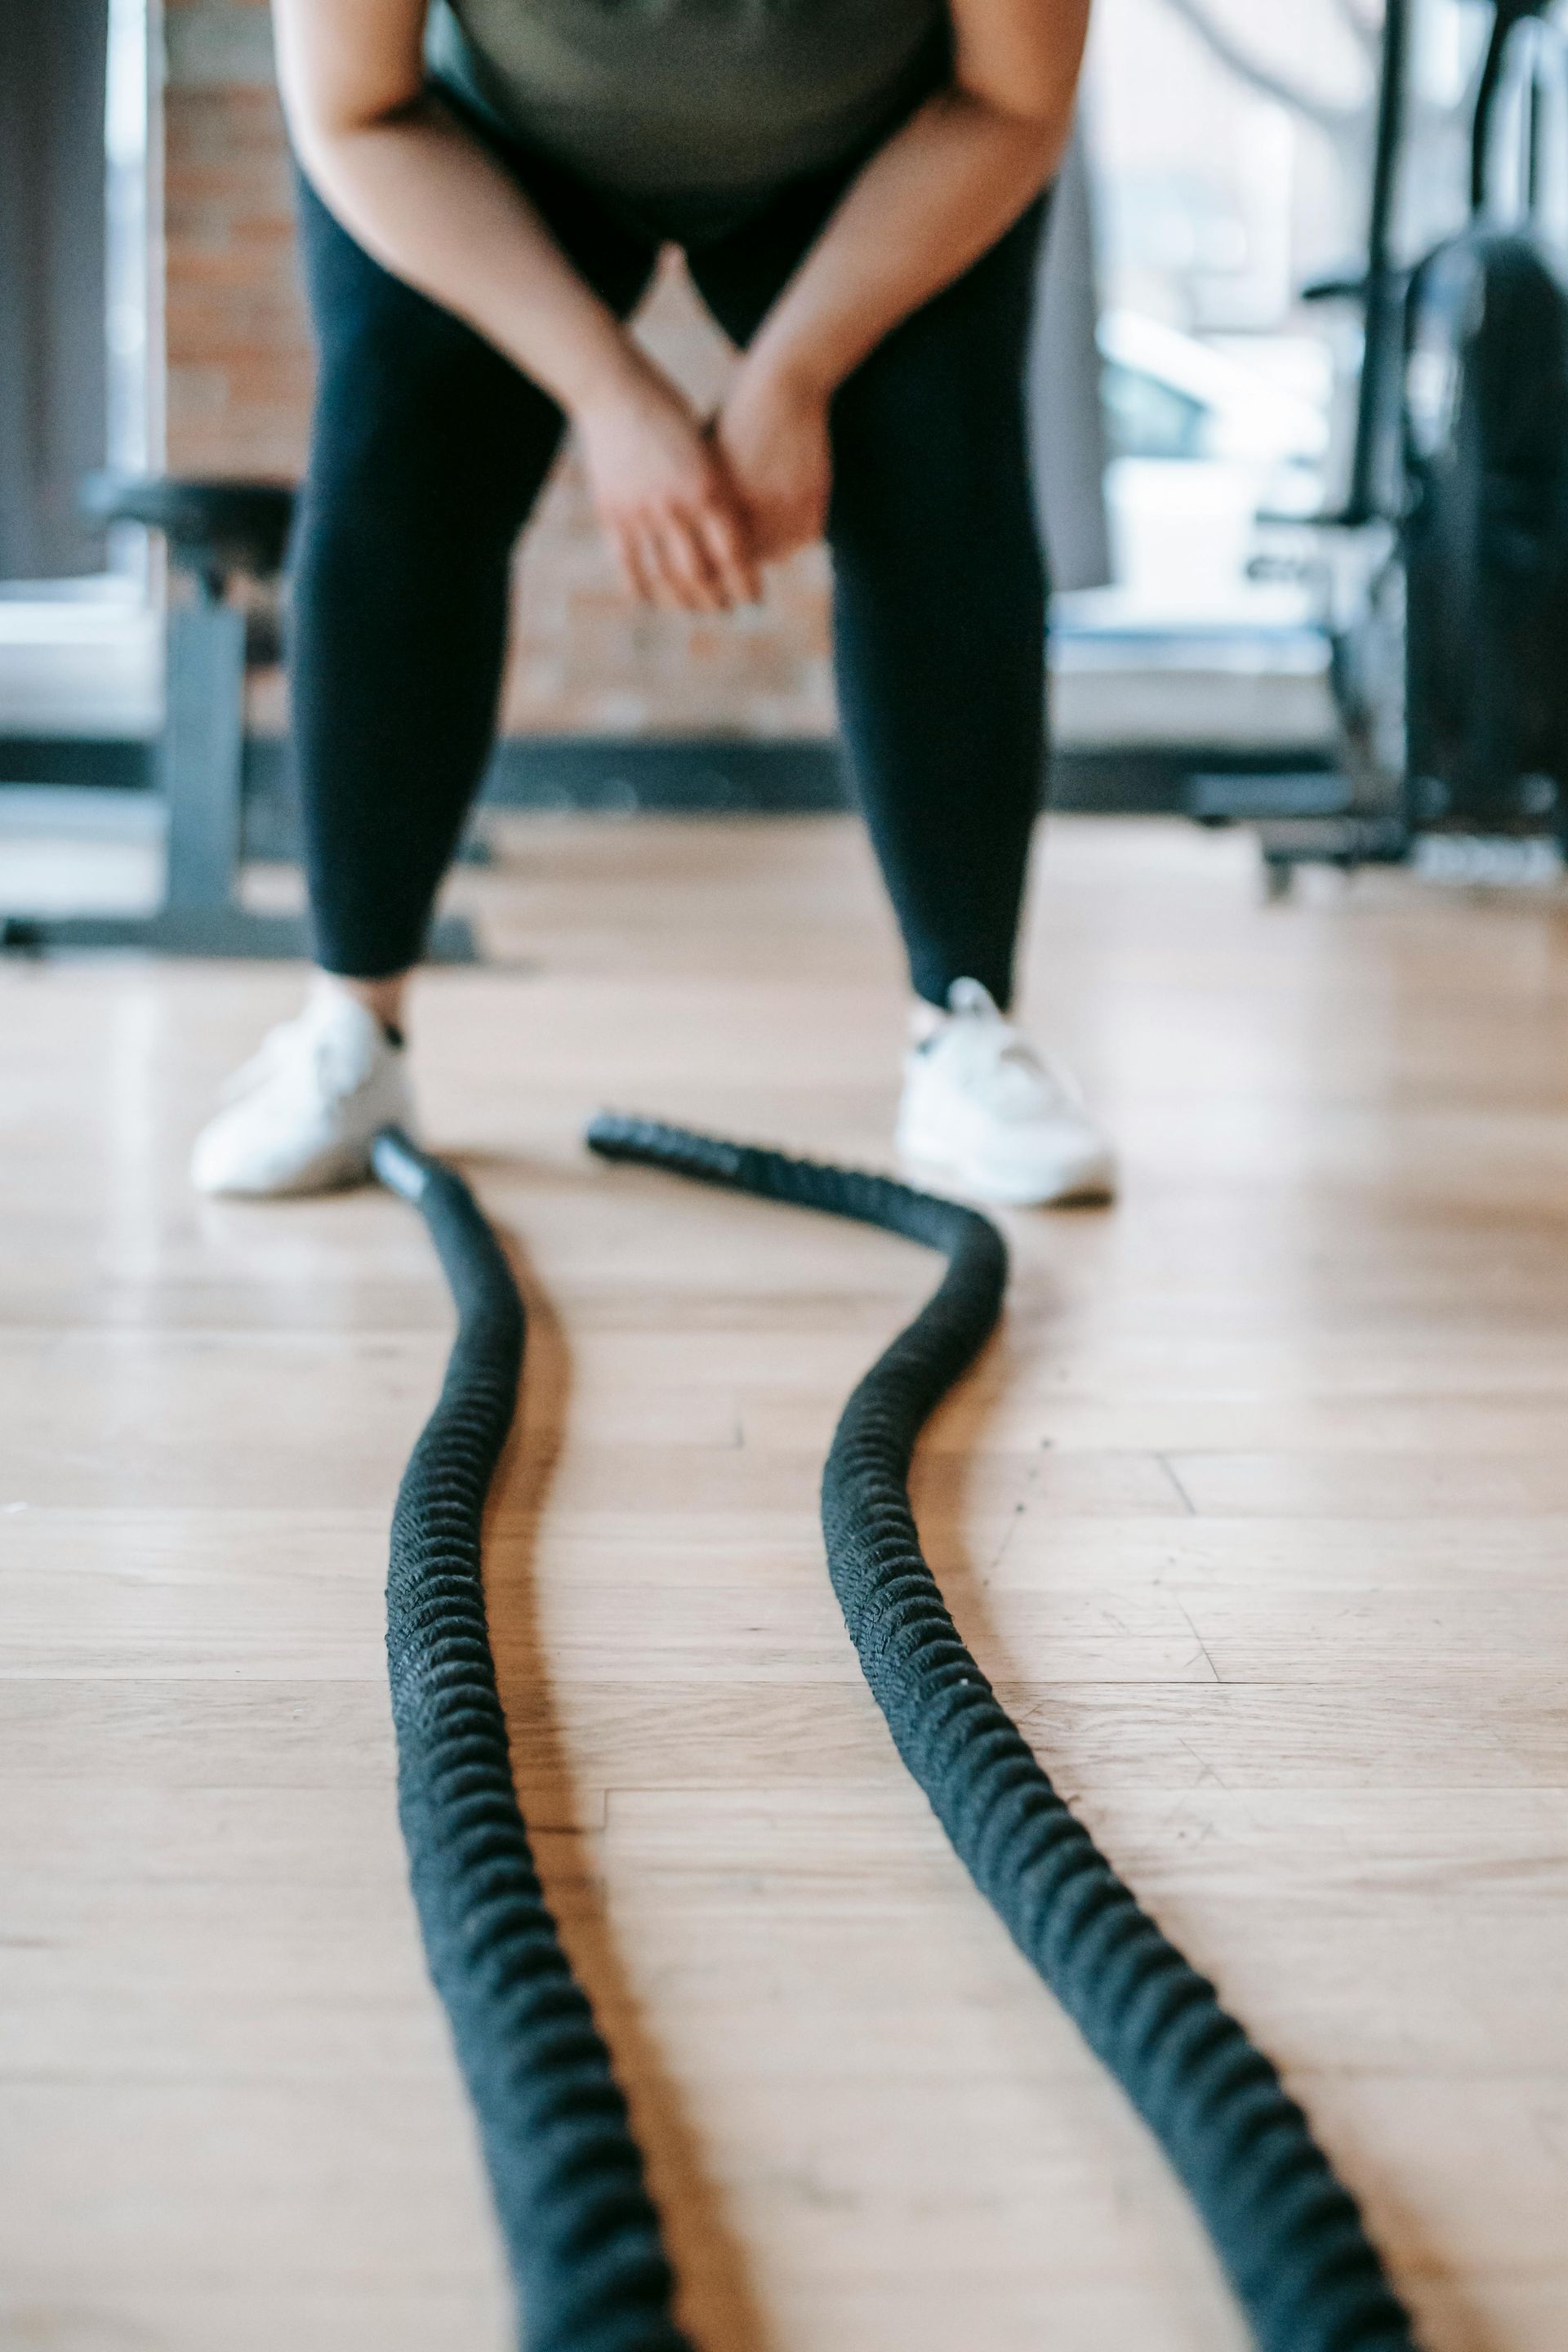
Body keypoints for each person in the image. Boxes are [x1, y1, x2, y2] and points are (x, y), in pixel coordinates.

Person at [191, 0, 1115, 1208]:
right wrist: (609, 392)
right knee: (395, 470)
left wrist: (797, 371)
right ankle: (351, 1026)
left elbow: (1014, 101)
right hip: (481, 143)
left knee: (944, 479)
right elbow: (355, 112)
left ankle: (966, 1026)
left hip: (882, 148)